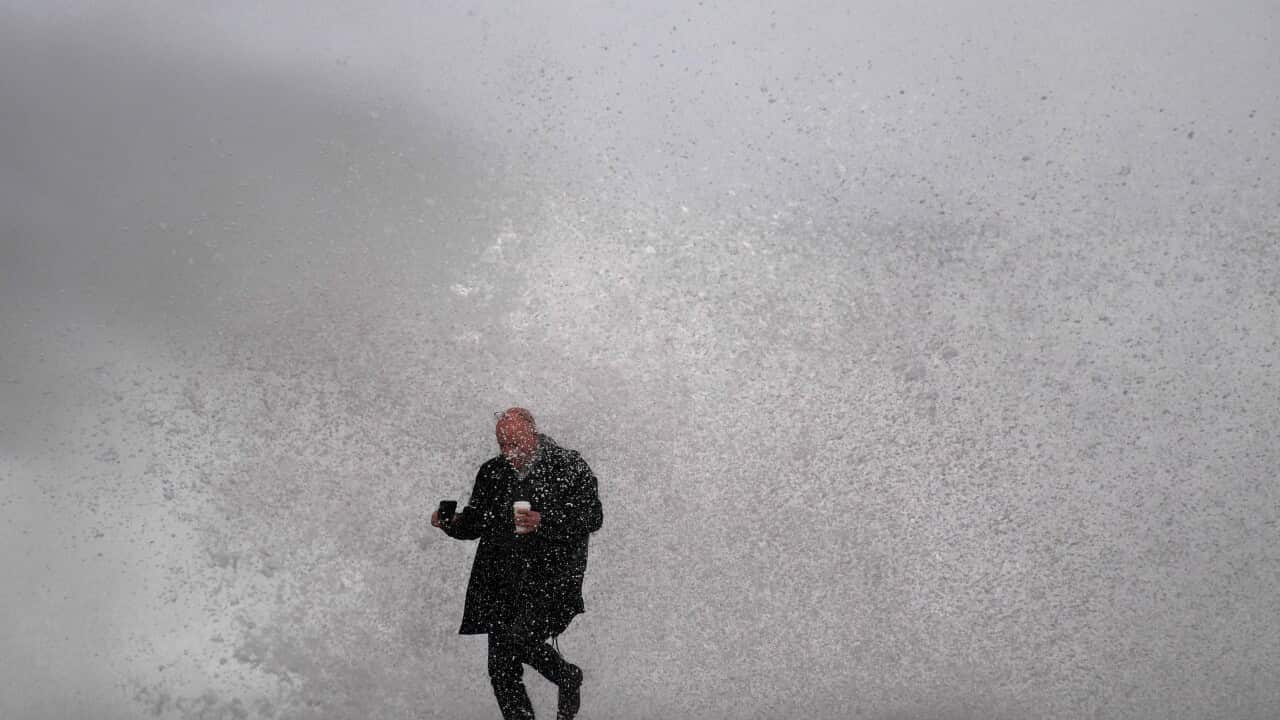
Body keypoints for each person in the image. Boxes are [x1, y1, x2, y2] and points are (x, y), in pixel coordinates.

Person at [432, 407, 603, 720]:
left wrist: (544, 521)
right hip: (501, 581)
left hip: (552, 580)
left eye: (515, 444)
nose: (509, 453)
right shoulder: (492, 472)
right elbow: (475, 523)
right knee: (500, 669)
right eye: (502, 445)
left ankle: (567, 676)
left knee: (517, 639)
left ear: (533, 436)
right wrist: (450, 523)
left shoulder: (568, 466)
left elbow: (592, 517)